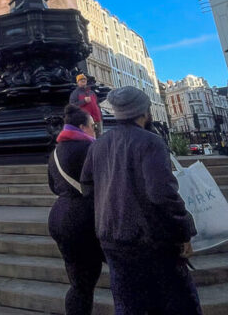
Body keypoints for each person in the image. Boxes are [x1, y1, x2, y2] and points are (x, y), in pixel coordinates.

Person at [80, 86, 201, 315]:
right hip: (149, 239)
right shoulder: (150, 142)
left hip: (112, 236)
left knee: (127, 304)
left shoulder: (98, 145)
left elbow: (86, 185)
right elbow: (162, 194)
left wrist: (109, 203)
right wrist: (183, 230)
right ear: (144, 112)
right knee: (177, 302)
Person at [47, 104, 102, 315]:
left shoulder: (55, 152)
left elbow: (53, 185)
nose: (95, 129)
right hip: (85, 219)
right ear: (81, 126)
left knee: (79, 284)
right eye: (92, 126)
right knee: (89, 279)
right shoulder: (91, 148)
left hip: (60, 218)